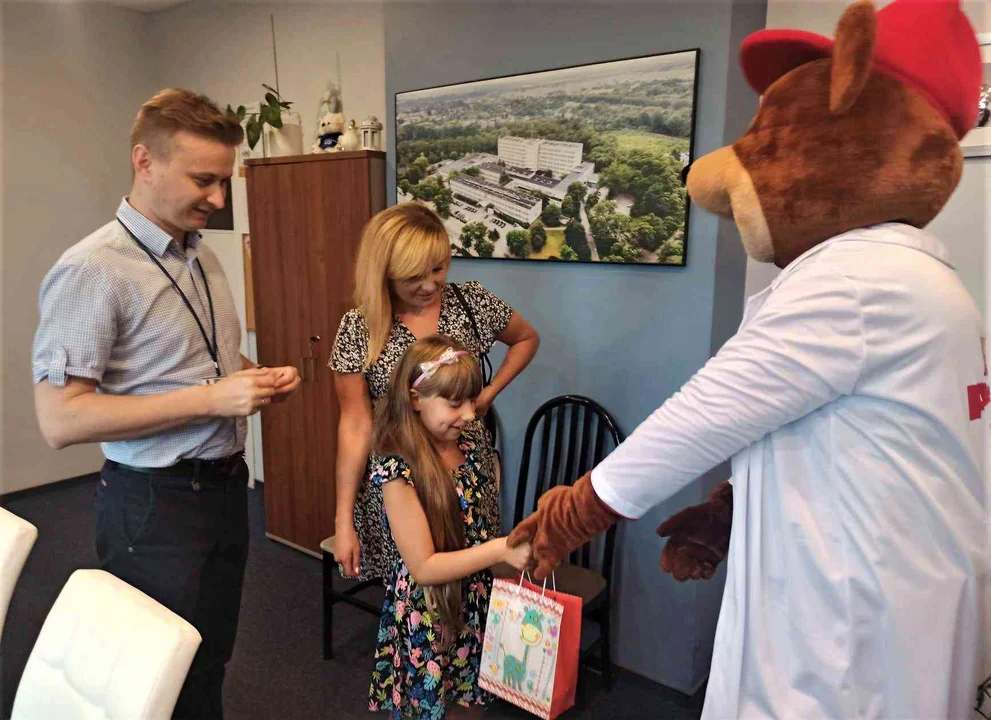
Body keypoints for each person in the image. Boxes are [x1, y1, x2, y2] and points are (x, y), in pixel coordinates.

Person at [507, 1, 990, 717]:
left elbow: (697, 421)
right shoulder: (927, 284)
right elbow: (858, 443)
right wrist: (732, 507)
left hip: (849, 637)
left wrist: (567, 517)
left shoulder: (853, 280)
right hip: (896, 605)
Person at [32, 88, 301, 719]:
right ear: (144, 162)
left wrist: (252, 378)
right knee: (155, 679)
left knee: (208, 659)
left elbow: (193, 364)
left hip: (224, 491)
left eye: (224, 181)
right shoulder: (92, 268)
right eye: (203, 180)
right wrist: (212, 398)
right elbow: (60, 419)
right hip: (154, 504)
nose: (219, 199)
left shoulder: (202, 255)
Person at [330, 203, 539, 581]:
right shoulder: (359, 328)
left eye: (438, 269)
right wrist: (343, 519)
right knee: (413, 588)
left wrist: (489, 393)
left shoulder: (471, 303)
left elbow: (526, 338)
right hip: (400, 483)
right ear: (385, 271)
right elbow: (355, 426)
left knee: (473, 574)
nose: (429, 285)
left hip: (466, 472)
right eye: (413, 276)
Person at [368, 335, 532, 718]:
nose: (470, 415)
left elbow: (479, 521)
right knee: (433, 704)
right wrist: (500, 550)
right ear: (415, 400)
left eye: (472, 400)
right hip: (430, 610)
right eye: (456, 404)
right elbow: (424, 567)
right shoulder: (398, 471)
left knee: (470, 700)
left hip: (473, 597)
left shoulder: (470, 441)